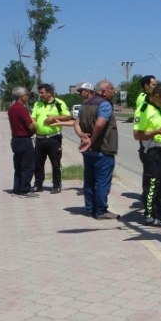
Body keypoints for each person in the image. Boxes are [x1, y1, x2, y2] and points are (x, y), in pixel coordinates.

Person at [75, 80, 119, 220]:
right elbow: (100, 124)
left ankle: (90, 209)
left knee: (89, 181)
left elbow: (76, 124)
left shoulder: (86, 104)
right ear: (104, 91)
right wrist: (92, 140)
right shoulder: (104, 104)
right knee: (102, 182)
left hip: (88, 151)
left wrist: (83, 136)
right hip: (102, 150)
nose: (114, 91)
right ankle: (100, 211)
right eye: (112, 89)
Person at [134, 83, 161, 227]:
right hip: (152, 151)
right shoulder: (144, 110)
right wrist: (157, 132)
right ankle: (149, 216)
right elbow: (137, 135)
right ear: (157, 96)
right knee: (152, 185)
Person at [31, 84, 70, 194]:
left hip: (53, 138)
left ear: (49, 92)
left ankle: (57, 184)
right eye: (39, 93)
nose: (40, 95)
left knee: (56, 163)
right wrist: (33, 124)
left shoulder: (58, 103)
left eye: (42, 93)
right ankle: (38, 184)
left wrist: (54, 117)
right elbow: (33, 117)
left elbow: (67, 116)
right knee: (38, 163)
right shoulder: (37, 104)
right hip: (39, 138)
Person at [7, 87, 38, 198]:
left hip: (15, 139)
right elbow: (29, 124)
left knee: (18, 166)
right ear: (22, 96)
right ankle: (25, 190)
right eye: (26, 94)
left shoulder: (11, 109)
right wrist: (35, 128)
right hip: (24, 139)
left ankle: (17, 189)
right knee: (28, 166)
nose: (27, 96)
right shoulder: (22, 109)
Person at [136, 75, 157, 206]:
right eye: (154, 85)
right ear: (146, 86)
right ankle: (147, 198)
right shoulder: (143, 98)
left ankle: (150, 197)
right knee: (150, 172)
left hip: (155, 141)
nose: (156, 87)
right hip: (148, 139)